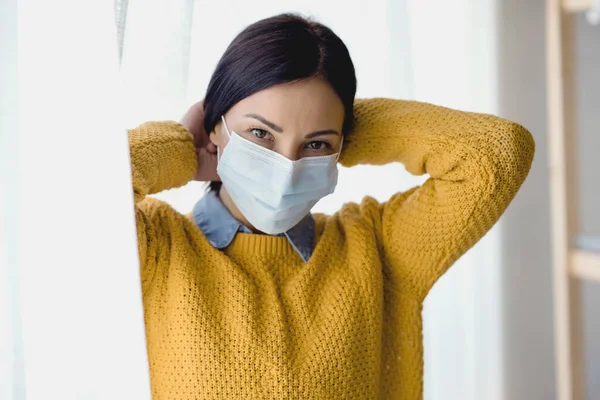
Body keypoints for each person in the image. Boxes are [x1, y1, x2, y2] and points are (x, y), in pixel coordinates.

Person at [129, 13, 535, 400]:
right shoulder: (153, 249)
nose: (287, 166)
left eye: (315, 144)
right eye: (260, 133)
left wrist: (345, 129)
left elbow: (497, 154)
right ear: (215, 126)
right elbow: (77, 195)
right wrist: (180, 147)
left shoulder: (378, 248)